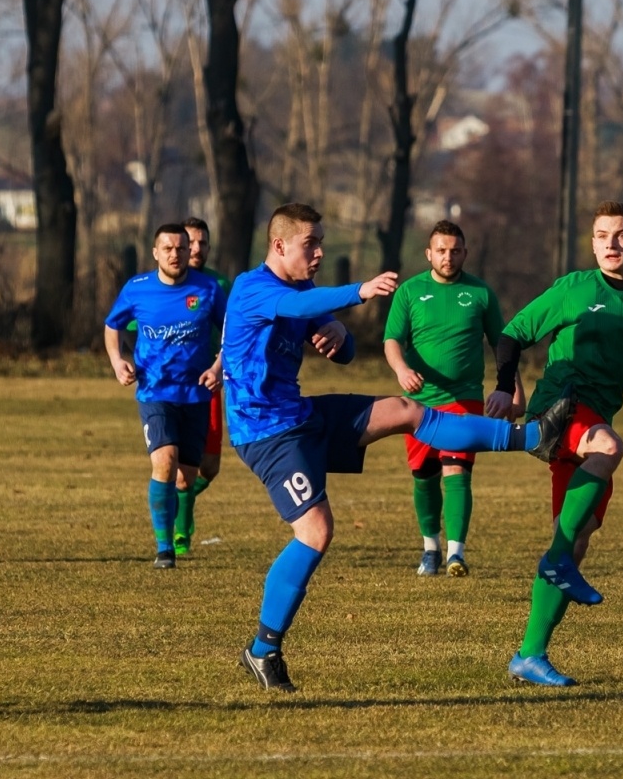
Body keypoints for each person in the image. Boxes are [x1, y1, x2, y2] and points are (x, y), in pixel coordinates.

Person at [223, 203, 576, 692]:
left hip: (300, 415)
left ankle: (532, 437)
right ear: (279, 246)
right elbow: (295, 309)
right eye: (312, 243)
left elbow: (342, 351)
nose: (320, 252)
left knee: (405, 410)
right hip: (266, 433)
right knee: (316, 531)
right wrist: (357, 293)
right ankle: (262, 648)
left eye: (322, 241)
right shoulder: (252, 289)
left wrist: (338, 333)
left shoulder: (302, 290)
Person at [491, 201, 623, 688]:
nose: (612, 243)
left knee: (578, 535)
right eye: (603, 235)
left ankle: (530, 654)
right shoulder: (575, 288)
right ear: (592, 243)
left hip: (590, 419)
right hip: (559, 407)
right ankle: (556, 560)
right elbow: (511, 335)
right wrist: (506, 385)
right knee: (609, 447)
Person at [384, 220, 516, 577]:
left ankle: (456, 553)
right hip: (419, 401)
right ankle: (431, 548)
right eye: (441, 250)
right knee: (423, 475)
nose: (448, 256)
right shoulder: (410, 292)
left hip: (465, 398)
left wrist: (512, 388)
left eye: (455, 250)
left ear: (465, 253)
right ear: (429, 253)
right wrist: (401, 371)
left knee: (457, 468)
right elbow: (392, 340)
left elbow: (502, 346)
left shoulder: (480, 293)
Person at [104, 223, 228, 569]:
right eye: (168, 248)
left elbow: (232, 332)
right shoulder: (137, 289)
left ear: (190, 252)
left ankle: (180, 533)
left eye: (181, 248)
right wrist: (117, 362)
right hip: (155, 392)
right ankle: (164, 550)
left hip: (197, 395)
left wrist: (217, 367)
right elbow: (112, 325)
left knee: (187, 476)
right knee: (165, 461)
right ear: (156, 253)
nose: (176, 254)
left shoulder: (208, 290)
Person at [174, 216, 233, 555]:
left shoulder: (219, 285)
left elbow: (234, 331)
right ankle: (180, 534)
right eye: (191, 242)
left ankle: (179, 503)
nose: (197, 249)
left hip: (210, 383)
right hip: (174, 387)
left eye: (203, 243)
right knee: (181, 468)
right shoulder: (164, 284)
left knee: (209, 468)